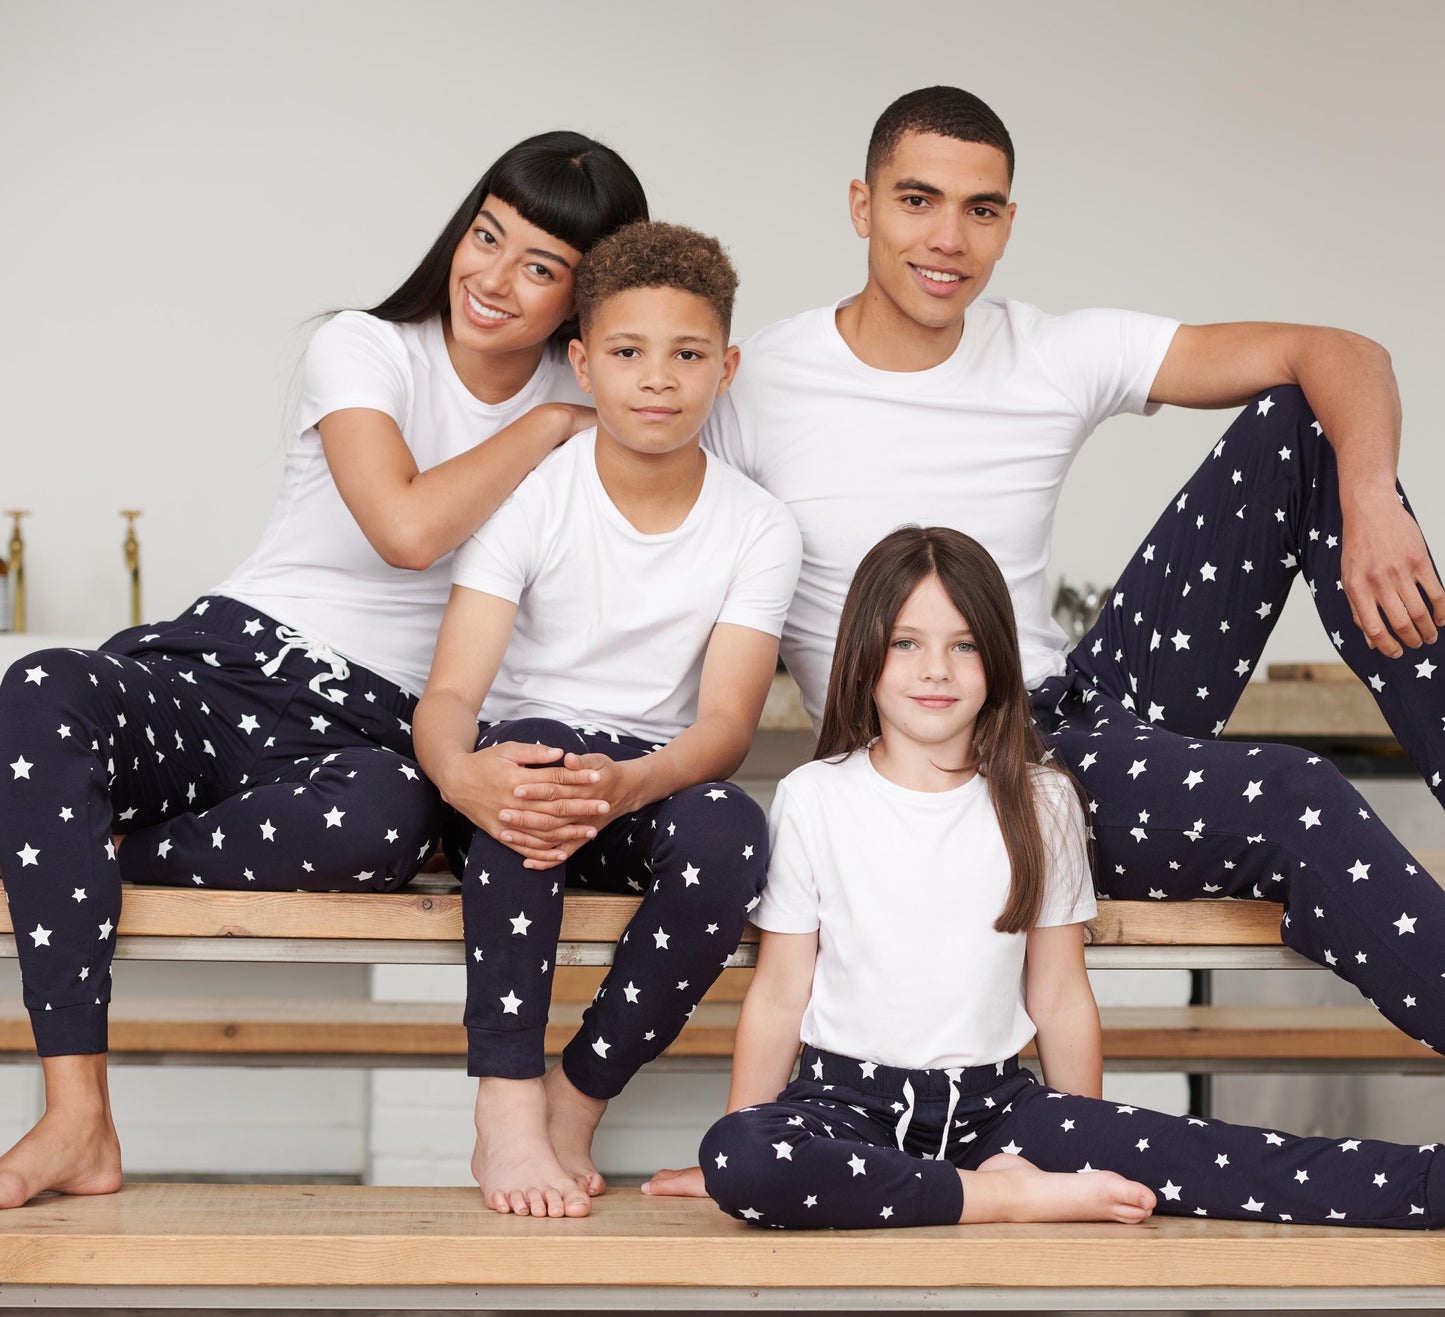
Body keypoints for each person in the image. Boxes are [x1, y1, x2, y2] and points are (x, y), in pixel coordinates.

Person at [698, 85, 1445, 1053]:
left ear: (1007, 224)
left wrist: (1371, 493)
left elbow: (1338, 351)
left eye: (979, 210)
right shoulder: (755, 381)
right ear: (861, 206)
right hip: (968, 764)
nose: (946, 238)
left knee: (1301, 422)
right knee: (1297, 790)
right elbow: (636, 496)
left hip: (1083, 706)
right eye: (915, 200)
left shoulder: (1046, 350)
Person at [0, 131, 649, 1211]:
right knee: (40, 688)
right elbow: (402, 525)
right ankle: (76, 1115)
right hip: (232, 670)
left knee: (389, 823)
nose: (492, 277)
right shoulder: (368, 347)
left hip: (375, 737)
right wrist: (548, 421)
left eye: (539, 266)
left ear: (585, 301)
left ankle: (84, 832)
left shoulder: (604, 397)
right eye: (486, 236)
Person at [648, 527, 1445, 1230]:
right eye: (906, 643)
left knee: (1222, 1161)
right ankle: (996, 1197)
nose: (936, 670)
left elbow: (1059, 994)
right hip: (845, 1108)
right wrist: (727, 1147)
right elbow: (781, 992)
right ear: (863, 659)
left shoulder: (1042, 798)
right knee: (743, 1154)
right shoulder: (815, 797)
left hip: (1001, 1110)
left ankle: (1427, 1185)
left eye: (963, 645)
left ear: (997, 660)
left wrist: (1083, 1144)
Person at [414, 220, 803, 1219]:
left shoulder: (756, 524)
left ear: (727, 366)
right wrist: (461, 773)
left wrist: (632, 782)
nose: (657, 380)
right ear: (583, 362)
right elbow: (451, 693)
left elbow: (724, 720)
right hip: (530, 753)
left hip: (647, 777)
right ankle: (504, 1104)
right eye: (628, 352)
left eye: (686, 355)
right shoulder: (533, 496)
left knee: (734, 830)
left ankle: (574, 1094)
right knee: (519, 778)